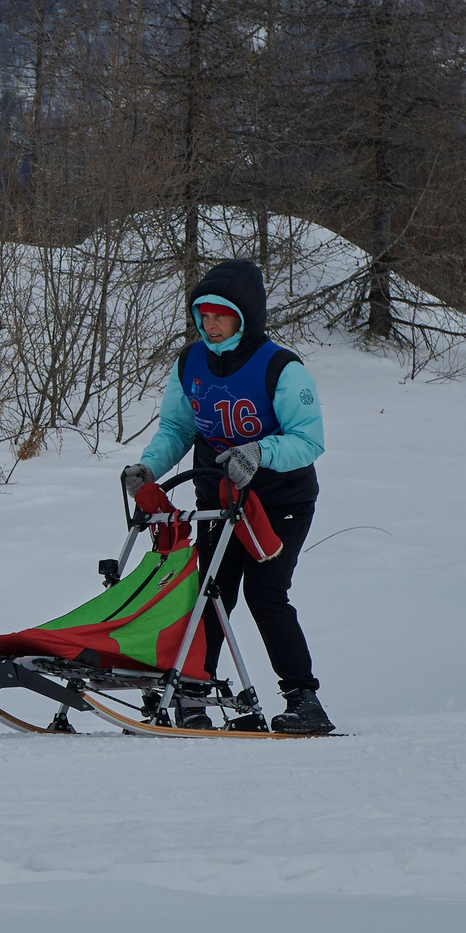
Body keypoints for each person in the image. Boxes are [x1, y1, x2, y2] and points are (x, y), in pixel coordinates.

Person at [119, 258, 333, 733]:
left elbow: (309, 440)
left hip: (280, 501)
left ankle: (304, 700)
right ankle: (193, 689)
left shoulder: (280, 367)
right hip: (220, 498)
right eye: (204, 315)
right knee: (210, 592)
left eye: (221, 315)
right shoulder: (190, 362)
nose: (210, 325)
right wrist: (149, 468)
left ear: (244, 316)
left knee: (265, 592)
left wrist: (260, 451)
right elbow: (177, 426)